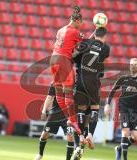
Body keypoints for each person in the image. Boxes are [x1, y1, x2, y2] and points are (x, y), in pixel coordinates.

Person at [71, 27, 110, 159]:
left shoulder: (85, 43)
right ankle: (90, 135)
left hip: (81, 81)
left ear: (94, 35)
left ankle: (81, 136)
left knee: (80, 111)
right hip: (94, 82)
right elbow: (100, 56)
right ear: (104, 37)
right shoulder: (105, 48)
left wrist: (87, 40)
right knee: (94, 108)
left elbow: (74, 55)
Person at [105, 58, 137, 160]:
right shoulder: (123, 79)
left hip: (135, 110)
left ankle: (119, 148)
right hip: (124, 108)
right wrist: (108, 104)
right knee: (125, 132)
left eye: (135, 64)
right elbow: (112, 91)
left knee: (136, 136)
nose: (133, 66)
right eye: (131, 64)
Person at [49, 5, 84, 135]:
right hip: (64, 61)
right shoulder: (75, 32)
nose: (81, 25)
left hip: (53, 60)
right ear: (77, 21)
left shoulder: (60, 30)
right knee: (68, 92)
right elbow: (84, 45)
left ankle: (69, 118)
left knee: (58, 92)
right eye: (81, 23)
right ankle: (73, 120)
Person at [34, 85, 74, 160]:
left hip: (67, 115)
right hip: (55, 113)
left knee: (70, 136)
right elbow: (49, 97)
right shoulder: (55, 83)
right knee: (44, 134)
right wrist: (44, 111)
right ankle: (40, 154)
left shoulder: (72, 82)